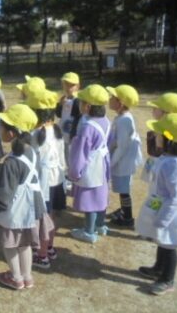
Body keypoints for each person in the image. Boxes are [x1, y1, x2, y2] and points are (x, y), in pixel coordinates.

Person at [0, 104, 49, 290]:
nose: (0, 128)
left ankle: (16, 277)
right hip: (33, 207)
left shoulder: (12, 162)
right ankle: (27, 277)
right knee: (25, 244)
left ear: (11, 133)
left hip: (17, 211)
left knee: (10, 244)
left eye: (2, 125)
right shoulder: (32, 151)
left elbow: (4, 196)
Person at [136, 113, 177, 295]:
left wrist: (164, 218)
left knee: (169, 244)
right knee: (162, 240)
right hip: (163, 206)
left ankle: (167, 279)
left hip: (172, 213)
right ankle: (158, 268)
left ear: (169, 140)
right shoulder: (167, 157)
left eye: (158, 135)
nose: (154, 137)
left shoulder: (174, 164)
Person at [27, 89, 66, 268]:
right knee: (52, 216)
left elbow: (33, 161)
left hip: (44, 182)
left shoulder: (36, 134)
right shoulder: (56, 130)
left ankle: (42, 255)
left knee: (43, 219)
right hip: (58, 179)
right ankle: (49, 247)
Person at [68, 85, 111, 243]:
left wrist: (75, 172)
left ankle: (89, 231)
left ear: (87, 106)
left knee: (90, 197)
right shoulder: (105, 120)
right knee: (101, 195)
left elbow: (80, 152)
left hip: (91, 165)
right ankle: (100, 225)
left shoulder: (87, 127)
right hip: (102, 162)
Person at [106, 85, 143, 227]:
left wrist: (111, 162)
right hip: (124, 159)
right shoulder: (121, 117)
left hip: (124, 160)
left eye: (112, 98)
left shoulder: (124, 121)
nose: (109, 100)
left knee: (124, 190)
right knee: (123, 188)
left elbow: (121, 147)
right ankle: (123, 210)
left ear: (120, 103)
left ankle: (127, 217)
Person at [142, 93, 177, 185]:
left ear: (168, 114)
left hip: (163, 172)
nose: (153, 109)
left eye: (157, 107)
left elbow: (160, 153)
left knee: (160, 189)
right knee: (155, 188)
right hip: (157, 170)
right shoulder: (158, 127)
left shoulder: (170, 134)